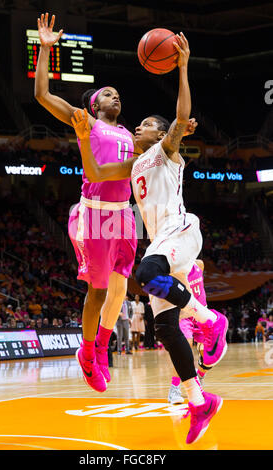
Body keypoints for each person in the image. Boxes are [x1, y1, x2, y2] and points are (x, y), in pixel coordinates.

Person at [71, 32, 227, 444]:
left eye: (144, 125)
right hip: (162, 243)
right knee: (165, 329)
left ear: (159, 136)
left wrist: (182, 67)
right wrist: (84, 140)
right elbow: (98, 175)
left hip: (180, 230)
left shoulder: (165, 151)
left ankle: (212, 322)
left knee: (145, 272)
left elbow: (180, 116)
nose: (135, 126)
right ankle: (198, 401)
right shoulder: (134, 164)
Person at [35, 12, 138, 393]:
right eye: (107, 93)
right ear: (94, 105)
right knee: (96, 291)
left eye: (117, 93)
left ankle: (101, 347)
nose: (116, 96)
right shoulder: (88, 123)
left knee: (121, 291)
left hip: (125, 215)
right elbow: (42, 96)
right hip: (94, 215)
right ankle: (87, 352)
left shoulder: (131, 131)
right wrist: (45, 50)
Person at [168, 259, 213, 404]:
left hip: (201, 313)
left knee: (210, 353)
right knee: (183, 351)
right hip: (185, 315)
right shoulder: (175, 270)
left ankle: (199, 377)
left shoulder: (199, 264)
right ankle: (174, 389)